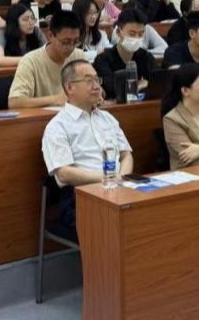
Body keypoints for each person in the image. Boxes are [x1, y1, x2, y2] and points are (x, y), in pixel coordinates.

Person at [42, 59, 134, 232]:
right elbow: (64, 173)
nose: (97, 86)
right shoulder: (57, 126)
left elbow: (126, 155)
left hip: (119, 186)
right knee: (121, 224)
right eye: (89, 81)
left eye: (97, 79)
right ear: (70, 87)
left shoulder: (108, 118)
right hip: (81, 195)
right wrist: (108, 179)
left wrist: (121, 178)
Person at [8, 11, 87, 109]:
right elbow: (14, 102)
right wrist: (56, 99)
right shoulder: (30, 61)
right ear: (50, 36)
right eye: (66, 42)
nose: (71, 47)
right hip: (43, 117)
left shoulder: (79, 56)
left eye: (75, 42)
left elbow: (94, 87)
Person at [94, 8, 157, 100]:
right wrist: (137, 86)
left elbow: (155, 86)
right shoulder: (103, 60)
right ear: (118, 32)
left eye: (140, 34)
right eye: (132, 34)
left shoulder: (147, 57)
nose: (136, 38)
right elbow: (110, 89)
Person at [0, 3, 45, 67]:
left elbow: (48, 54)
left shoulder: (36, 31)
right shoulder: (2, 33)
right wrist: (31, 59)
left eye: (32, 18)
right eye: (25, 19)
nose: (31, 22)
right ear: (14, 22)